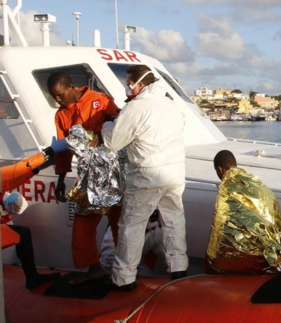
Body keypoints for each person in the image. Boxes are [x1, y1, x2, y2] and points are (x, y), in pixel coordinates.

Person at [102, 65, 188, 290]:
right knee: (174, 220)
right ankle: (178, 267)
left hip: (146, 174)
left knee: (132, 224)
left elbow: (113, 142)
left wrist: (106, 125)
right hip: (175, 172)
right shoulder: (170, 104)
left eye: (129, 83)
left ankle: (124, 279)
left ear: (139, 84)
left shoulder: (136, 108)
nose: (127, 88)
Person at [47, 72, 121, 285]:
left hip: (114, 171)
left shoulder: (101, 101)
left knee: (118, 222)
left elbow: (122, 127)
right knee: (83, 224)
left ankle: (125, 269)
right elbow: (63, 148)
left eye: (60, 95)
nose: (58, 101)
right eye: (54, 97)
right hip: (88, 176)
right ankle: (95, 268)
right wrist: (61, 178)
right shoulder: (61, 115)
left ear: (70, 87)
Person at [207, 150, 281, 274]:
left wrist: (211, 260)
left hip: (249, 258)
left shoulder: (226, 190)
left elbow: (218, 229)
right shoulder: (258, 184)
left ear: (220, 169)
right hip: (272, 253)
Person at [1, 191, 61, 289]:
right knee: (23, 233)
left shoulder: (5, 199)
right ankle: (32, 278)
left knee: (22, 233)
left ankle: (32, 277)